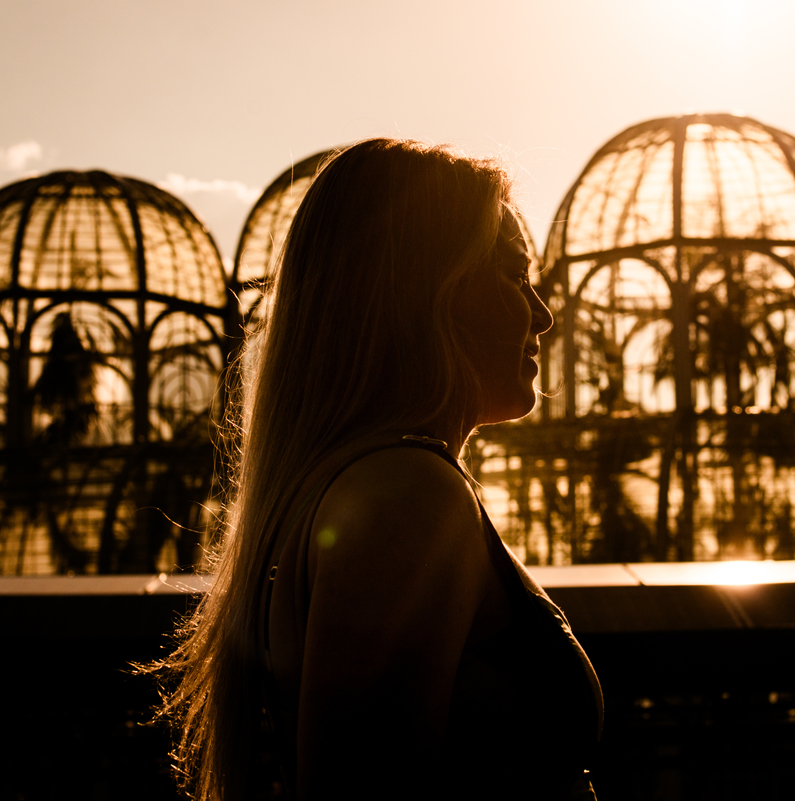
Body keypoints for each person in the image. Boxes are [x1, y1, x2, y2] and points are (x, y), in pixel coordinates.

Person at [154, 139, 603, 800]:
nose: (543, 315)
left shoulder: (348, 483)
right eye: (513, 274)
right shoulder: (408, 497)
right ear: (425, 290)